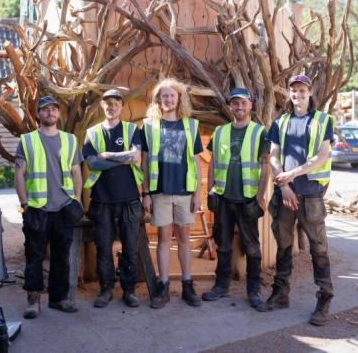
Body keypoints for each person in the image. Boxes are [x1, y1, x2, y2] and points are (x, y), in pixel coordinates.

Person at [258, 74, 334, 326]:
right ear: (288, 94)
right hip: (286, 194)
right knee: (283, 246)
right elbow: (273, 157)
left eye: (302, 90)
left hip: (310, 194)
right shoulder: (281, 122)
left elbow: (322, 157)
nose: (298, 94)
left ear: (310, 92)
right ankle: (281, 294)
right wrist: (285, 184)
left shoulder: (323, 121)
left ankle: (324, 300)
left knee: (318, 248)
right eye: (293, 90)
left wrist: (293, 174)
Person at [14, 95, 84, 319]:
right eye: (45, 110)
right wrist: (24, 204)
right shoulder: (27, 141)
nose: (50, 113)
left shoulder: (70, 140)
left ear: (59, 114)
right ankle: (33, 301)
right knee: (34, 256)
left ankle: (58, 298)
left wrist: (77, 199)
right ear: (38, 114)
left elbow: (76, 173)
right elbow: (19, 174)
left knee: (61, 256)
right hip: (37, 208)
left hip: (63, 207)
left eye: (54, 109)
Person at [201, 88, 270, 309]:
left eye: (243, 103)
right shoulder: (220, 132)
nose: (239, 107)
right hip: (223, 198)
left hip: (247, 199)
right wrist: (210, 190)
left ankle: (254, 290)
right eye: (235, 104)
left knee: (252, 247)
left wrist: (259, 197)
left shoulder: (260, 132)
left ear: (250, 105)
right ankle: (221, 286)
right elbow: (212, 163)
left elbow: (266, 165)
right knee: (223, 245)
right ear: (230, 106)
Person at [140, 78, 203, 309]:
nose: (168, 99)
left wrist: (198, 193)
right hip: (160, 192)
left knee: (185, 238)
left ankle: (187, 283)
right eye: (164, 95)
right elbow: (144, 162)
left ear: (179, 99)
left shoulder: (190, 125)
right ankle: (163, 284)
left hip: (185, 191)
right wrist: (145, 192)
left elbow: (196, 163)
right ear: (158, 99)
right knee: (164, 237)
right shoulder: (148, 126)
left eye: (172, 95)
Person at [83, 89, 144, 308]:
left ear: (121, 106)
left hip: (129, 199)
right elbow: (92, 163)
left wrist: (108, 155)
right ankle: (106, 289)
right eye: (108, 103)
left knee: (130, 247)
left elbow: (135, 157)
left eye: (116, 103)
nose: (112, 107)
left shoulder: (131, 129)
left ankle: (129, 290)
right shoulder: (93, 133)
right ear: (102, 106)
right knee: (103, 247)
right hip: (102, 200)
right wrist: (123, 158)